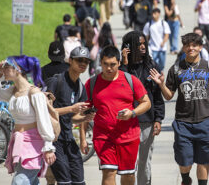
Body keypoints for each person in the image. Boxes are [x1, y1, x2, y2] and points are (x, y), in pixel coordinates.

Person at [149, 33, 209, 185]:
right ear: (184, 47)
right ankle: (186, 179)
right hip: (183, 123)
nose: (190, 48)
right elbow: (168, 95)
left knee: (203, 159)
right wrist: (160, 84)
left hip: (205, 121)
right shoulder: (176, 69)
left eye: (194, 45)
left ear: (200, 47)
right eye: (187, 45)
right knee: (185, 161)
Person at [80, 45, 151, 185]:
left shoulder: (130, 80)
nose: (109, 68)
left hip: (128, 137)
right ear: (100, 63)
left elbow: (146, 102)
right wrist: (83, 138)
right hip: (103, 137)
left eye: (113, 64)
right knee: (108, 171)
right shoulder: (92, 83)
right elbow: (85, 112)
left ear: (119, 63)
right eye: (105, 64)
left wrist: (132, 113)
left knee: (128, 175)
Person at [0, 56, 56, 184]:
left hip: (33, 145)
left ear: (18, 70)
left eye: (6, 66)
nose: (3, 69)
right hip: (18, 142)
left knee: (19, 182)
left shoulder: (35, 93)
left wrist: (48, 147)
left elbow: (44, 121)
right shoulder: (13, 91)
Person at [120, 31, 165, 185]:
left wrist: (158, 119)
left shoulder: (151, 66)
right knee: (128, 163)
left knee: (145, 162)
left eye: (144, 43)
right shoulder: (122, 68)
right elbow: (119, 87)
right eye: (138, 44)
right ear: (128, 47)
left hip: (147, 121)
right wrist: (124, 64)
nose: (142, 46)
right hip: (127, 122)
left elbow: (157, 95)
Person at [46, 47, 95, 185]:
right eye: (80, 60)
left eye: (86, 61)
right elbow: (46, 111)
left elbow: (73, 118)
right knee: (64, 182)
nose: (83, 64)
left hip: (69, 138)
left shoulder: (80, 87)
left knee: (79, 181)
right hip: (55, 140)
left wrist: (85, 118)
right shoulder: (56, 81)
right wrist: (71, 108)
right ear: (70, 61)